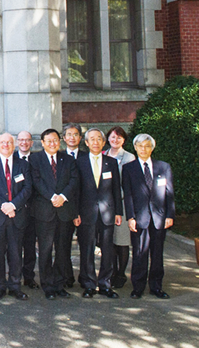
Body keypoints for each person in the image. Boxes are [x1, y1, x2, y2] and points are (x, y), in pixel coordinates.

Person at [0, 133, 33, 300]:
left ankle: (15, 286)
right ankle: (0, 286)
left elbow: (27, 188)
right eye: (2, 142)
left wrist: (13, 205)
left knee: (16, 253)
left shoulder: (23, 165)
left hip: (17, 216)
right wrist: (4, 205)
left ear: (14, 145)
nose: (6, 145)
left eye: (9, 142)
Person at [29, 129, 79, 300]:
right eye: (49, 141)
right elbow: (36, 181)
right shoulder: (35, 159)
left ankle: (59, 284)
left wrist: (62, 197)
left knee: (63, 250)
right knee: (45, 250)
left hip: (64, 211)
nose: (53, 143)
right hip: (44, 211)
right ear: (42, 142)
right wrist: (52, 197)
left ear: (60, 142)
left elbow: (74, 180)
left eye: (56, 140)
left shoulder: (68, 159)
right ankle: (48, 286)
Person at [123, 134, 175, 299]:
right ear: (135, 148)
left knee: (157, 254)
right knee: (139, 253)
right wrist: (130, 217)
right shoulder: (128, 168)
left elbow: (169, 193)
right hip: (139, 218)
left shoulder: (163, 167)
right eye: (140, 146)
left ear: (152, 148)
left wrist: (170, 215)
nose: (143, 149)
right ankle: (138, 287)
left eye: (147, 146)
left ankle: (156, 287)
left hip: (159, 218)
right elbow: (128, 195)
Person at [76, 128, 122, 299]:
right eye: (92, 139)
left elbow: (116, 189)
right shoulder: (79, 162)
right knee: (87, 249)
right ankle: (89, 284)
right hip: (86, 213)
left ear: (104, 143)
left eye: (99, 139)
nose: (95, 142)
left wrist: (118, 212)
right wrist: (76, 213)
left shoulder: (112, 162)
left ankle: (105, 284)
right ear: (86, 143)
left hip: (108, 213)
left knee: (108, 250)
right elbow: (76, 191)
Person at [104, 126, 135, 289]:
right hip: (105, 205)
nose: (115, 140)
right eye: (113, 137)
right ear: (108, 139)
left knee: (122, 241)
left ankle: (121, 273)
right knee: (109, 241)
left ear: (124, 140)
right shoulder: (103, 155)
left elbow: (130, 184)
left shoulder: (129, 158)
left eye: (119, 138)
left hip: (121, 203)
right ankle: (112, 271)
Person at [15, 131, 39, 290]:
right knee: (14, 246)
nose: (24, 143)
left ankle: (29, 277)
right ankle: (14, 276)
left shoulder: (37, 160)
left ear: (31, 143)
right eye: (21, 140)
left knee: (30, 246)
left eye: (27, 140)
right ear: (17, 142)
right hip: (15, 209)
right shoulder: (12, 158)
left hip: (33, 210)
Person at [60, 123, 83, 288]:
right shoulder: (59, 157)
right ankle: (66, 278)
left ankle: (86, 278)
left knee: (86, 247)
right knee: (64, 246)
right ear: (64, 138)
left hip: (85, 209)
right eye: (69, 134)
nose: (72, 137)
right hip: (65, 209)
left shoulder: (87, 156)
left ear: (80, 138)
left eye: (75, 134)